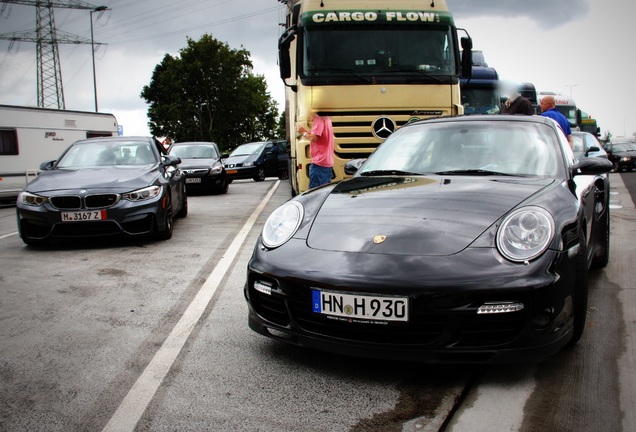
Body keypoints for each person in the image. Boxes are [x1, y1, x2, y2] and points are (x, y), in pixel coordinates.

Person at [297, 112, 334, 188]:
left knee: (314, 194)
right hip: (327, 162)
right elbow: (320, 138)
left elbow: (313, 138)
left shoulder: (318, 118)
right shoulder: (327, 118)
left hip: (319, 163)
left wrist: (302, 132)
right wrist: (306, 132)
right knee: (324, 192)